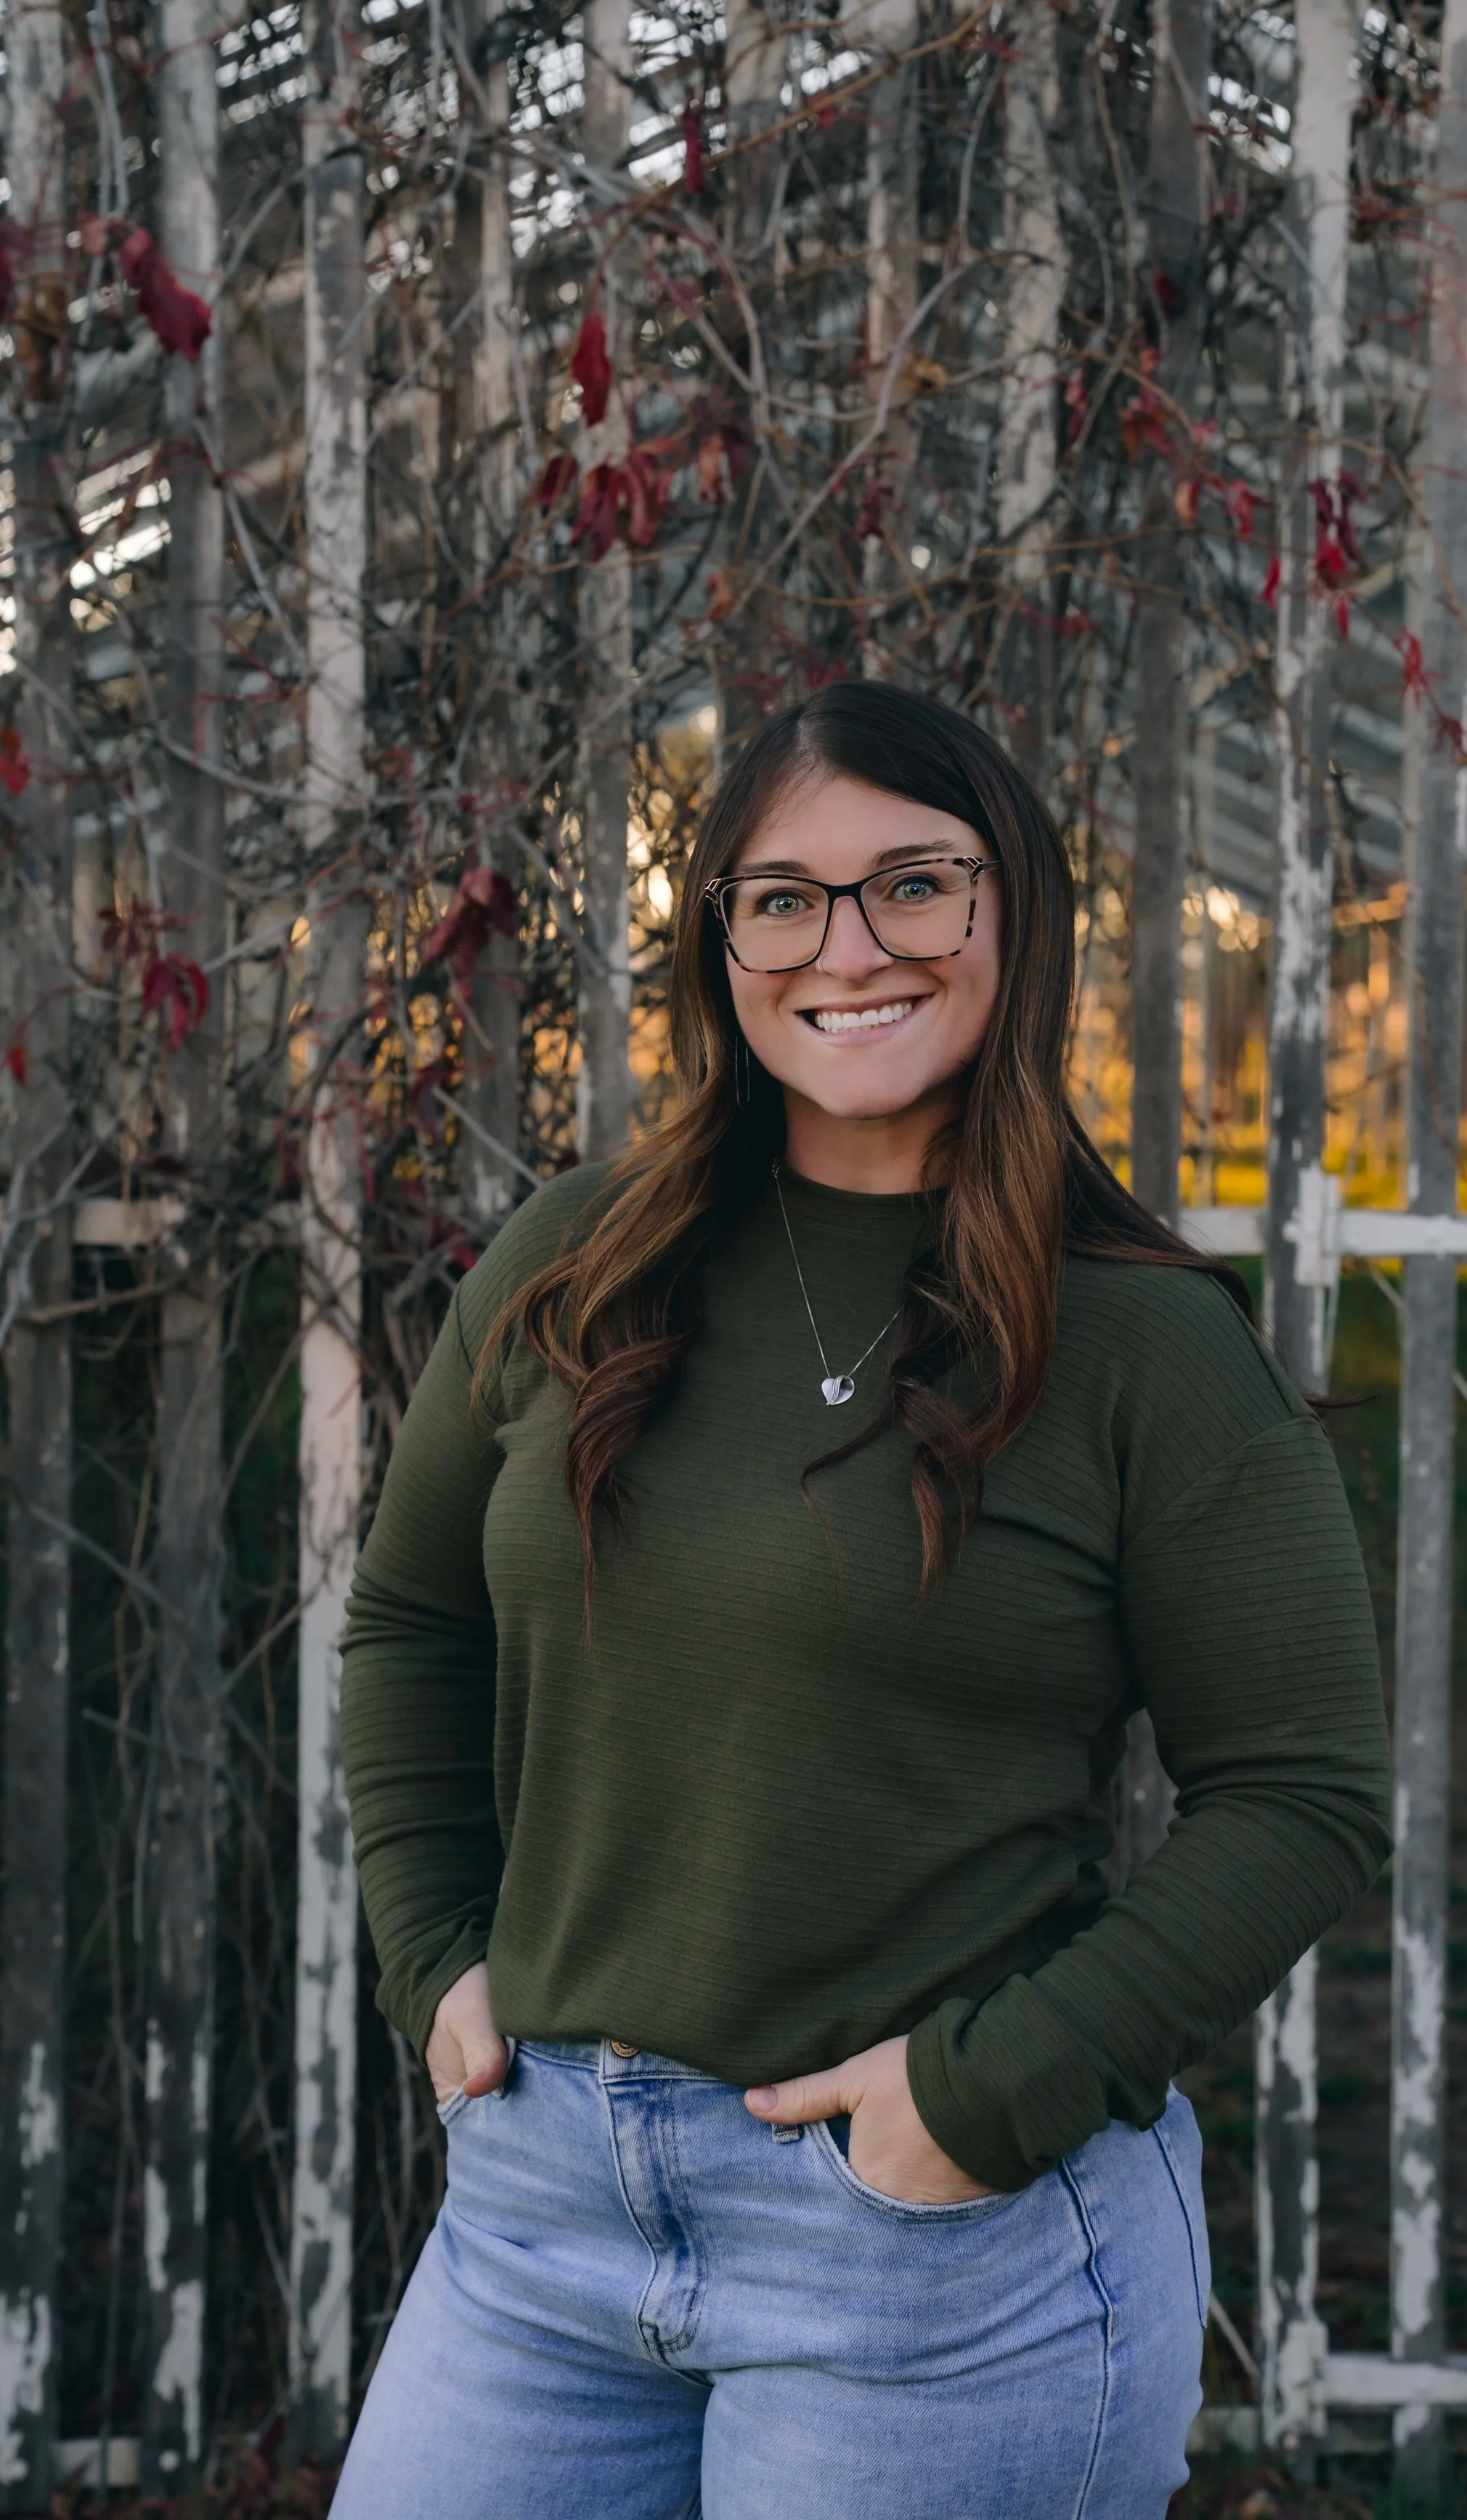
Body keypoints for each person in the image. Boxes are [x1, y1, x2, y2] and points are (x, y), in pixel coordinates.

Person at [331, 684, 1389, 2520]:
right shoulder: (572, 1265)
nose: (850, 949)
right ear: (720, 939)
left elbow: (1300, 1795)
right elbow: (412, 1624)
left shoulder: (1139, 1344)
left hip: (930, 2250)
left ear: (1015, 915)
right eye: (784, 898)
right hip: (543, 2218)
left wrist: (983, 2100)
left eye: (916, 884)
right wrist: (434, 1945)